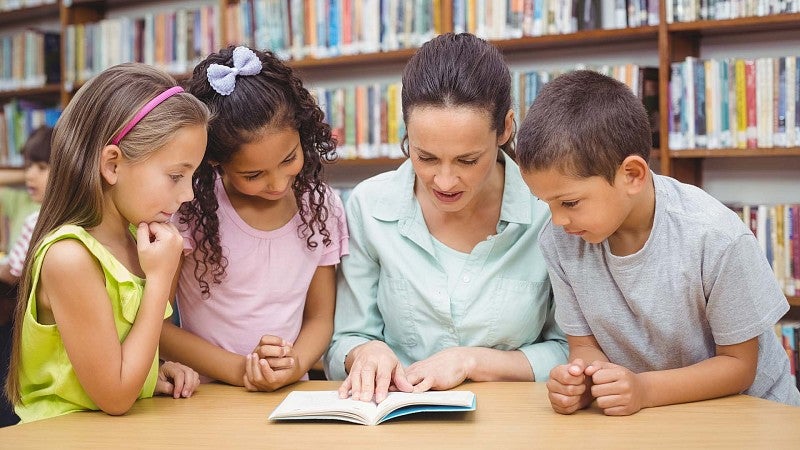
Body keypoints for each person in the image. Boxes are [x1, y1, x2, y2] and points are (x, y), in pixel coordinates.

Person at [516, 70, 800, 416]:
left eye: (570, 203)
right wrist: (582, 378)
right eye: (546, 203)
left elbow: (739, 366)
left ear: (632, 175)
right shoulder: (561, 241)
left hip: (753, 414)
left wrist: (644, 389)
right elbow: (583, 346)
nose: (557, 220)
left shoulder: (715, 236)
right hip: (656, 416)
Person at [324, 33, 567, 404]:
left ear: (505, 128)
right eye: (425, 157)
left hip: (517, 425)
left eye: (468, 160)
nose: (445, 181)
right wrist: (365, 353)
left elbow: (570, 351)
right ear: (406, 132)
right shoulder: (370, 206)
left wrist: (471, 361)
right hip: (398, 422)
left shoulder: (549, 211)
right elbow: (345, 340)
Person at [4, 63, 208, 423]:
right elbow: (115, 396)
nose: (188, 193)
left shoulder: (135, 242)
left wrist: (151, 372)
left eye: (192, 176)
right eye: (176, 175)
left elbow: (110, 367)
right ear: (112, 164)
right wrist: (160, 281)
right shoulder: (70, 257)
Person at [158, 45, 348, 392]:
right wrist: (242, 371)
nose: (276, 183)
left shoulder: (322, 208)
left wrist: (295, 365)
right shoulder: (191, 211)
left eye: (289, 158)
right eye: (254, 174)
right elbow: (157, 324)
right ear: (214, 161)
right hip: (203, 396)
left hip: (288, 395)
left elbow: (320, 318)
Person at [0, 125, 52, 427]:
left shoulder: (39, 219)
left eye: (41, 167)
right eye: (28, 166)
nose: (30, 176)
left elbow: (11, 273)